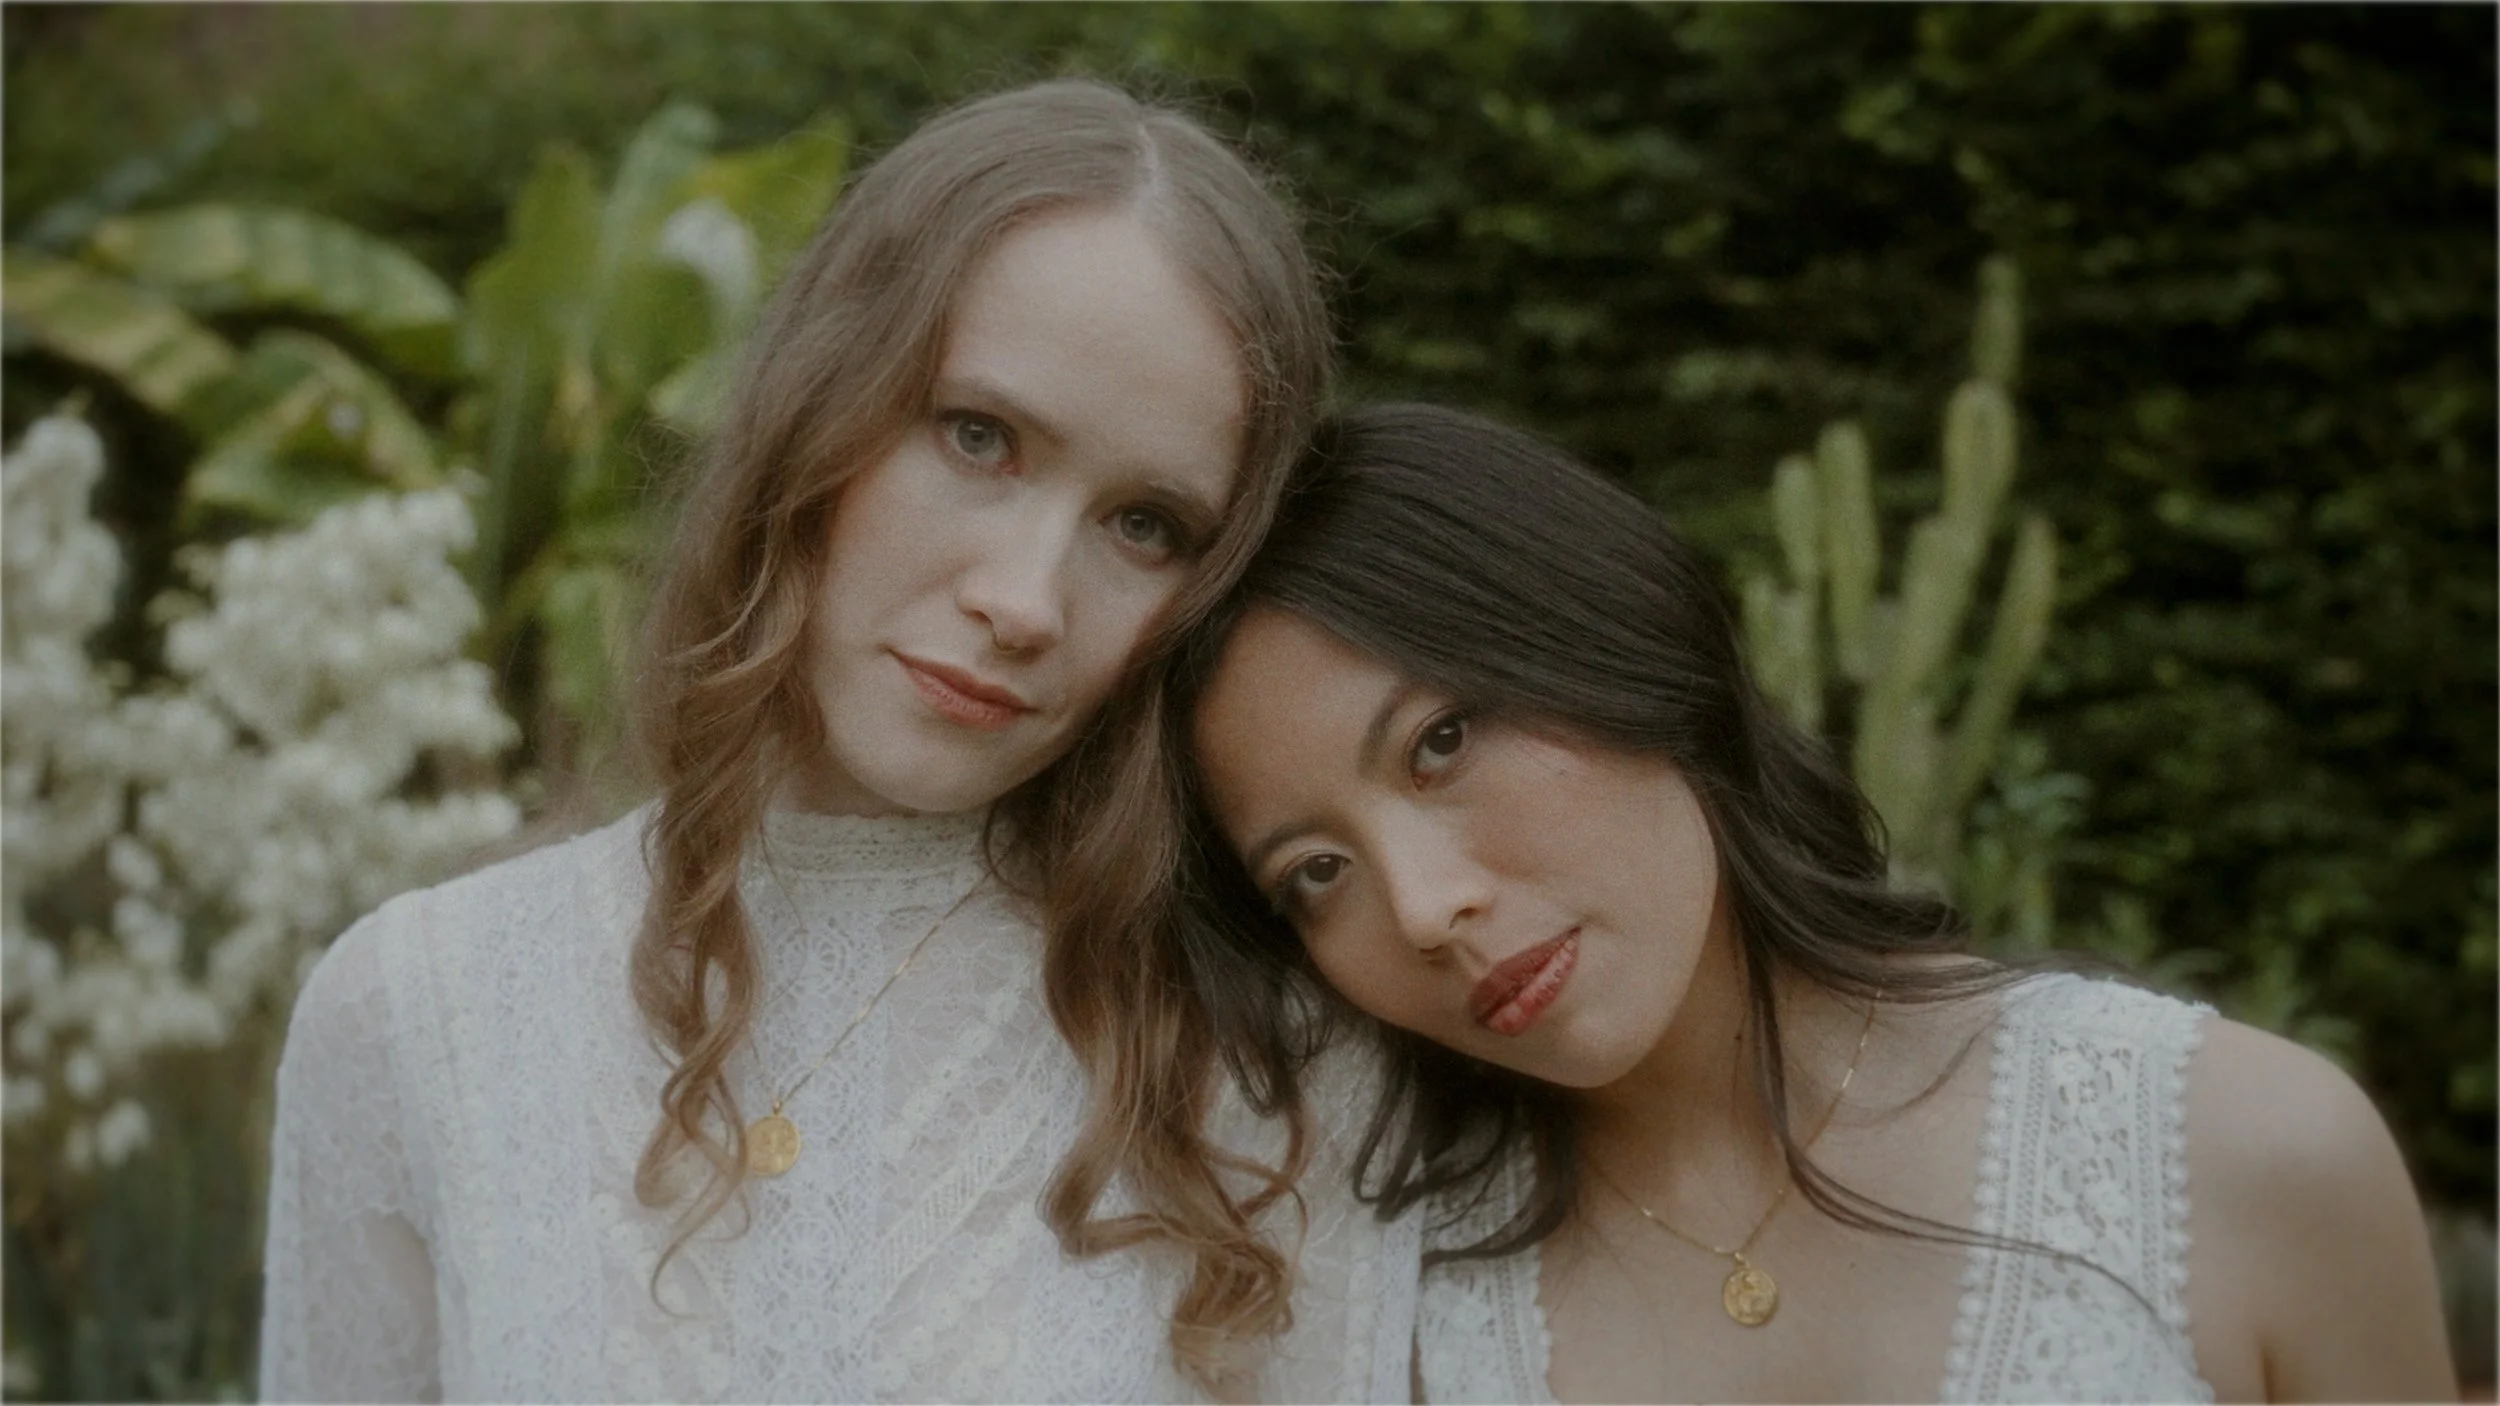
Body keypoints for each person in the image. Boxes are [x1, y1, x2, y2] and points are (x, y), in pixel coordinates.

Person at [257, 81, 1419, 1402]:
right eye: (979, 437)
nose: (1026, 603)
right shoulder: (422, 1012)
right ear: (820, 399)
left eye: (1146, 524)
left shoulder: (1286, 1076)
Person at [1101, 401, 2457, 1402]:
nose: (1423, 905)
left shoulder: (2250, 1154)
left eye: (1442, 741)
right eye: (1313, 873)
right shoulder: (1376, 1319)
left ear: (1616, 644)